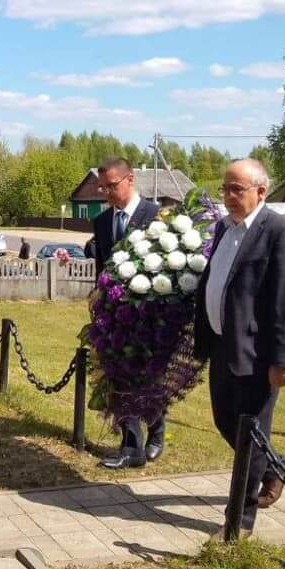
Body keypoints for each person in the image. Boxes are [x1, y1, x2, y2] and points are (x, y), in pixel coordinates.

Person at [194, 158, 285, 537]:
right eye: (225, 188)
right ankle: (278, 466)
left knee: (248, 438)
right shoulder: (226, 229)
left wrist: (282, 359)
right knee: (226, 422)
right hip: (223, 346)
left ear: (261, 191)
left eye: (236, 189)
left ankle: (239, 522)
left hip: (257, 356)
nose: (227, 196)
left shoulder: (279, 232)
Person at [89, 157, 166, 468]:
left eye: (112, 186)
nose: (107, 192)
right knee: (120, 377)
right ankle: (131, 446)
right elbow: (102, 272)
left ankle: (157, 431)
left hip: (152, 317)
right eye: (103, 187)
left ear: (130, 180)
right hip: (115, 318)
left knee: (149, 380)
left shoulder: (157, 216)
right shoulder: (102, 222)